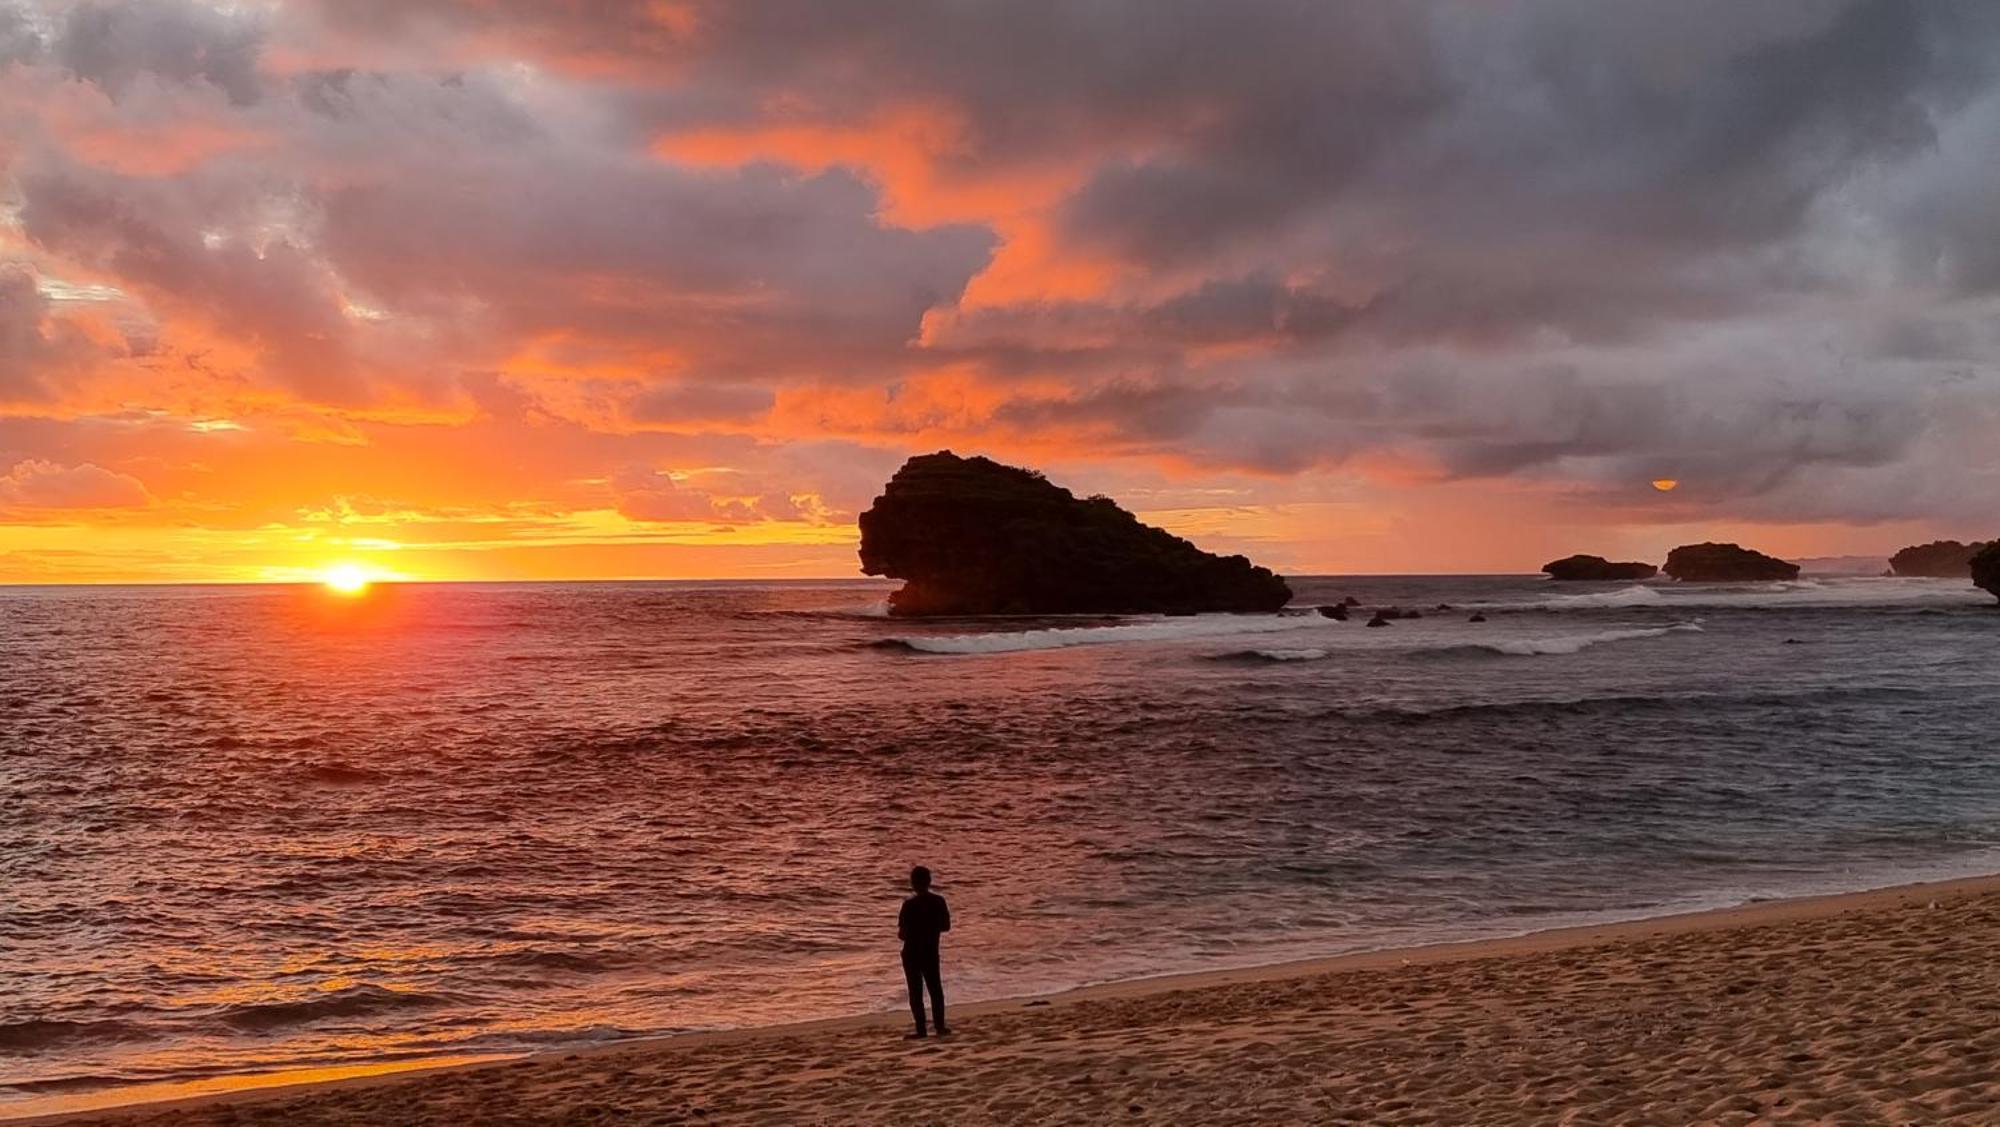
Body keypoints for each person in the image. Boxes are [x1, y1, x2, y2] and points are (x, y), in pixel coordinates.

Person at [898, 865, 951, 1038]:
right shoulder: (938, 901)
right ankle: (939, 1026)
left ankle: (921, 1030)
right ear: (929, 881)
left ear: (913, 883)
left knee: (915, 992)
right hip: (930, 950)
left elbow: (902, 934)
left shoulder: (909, 905)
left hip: (912, 953)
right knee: (935, 989)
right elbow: (946, 926)